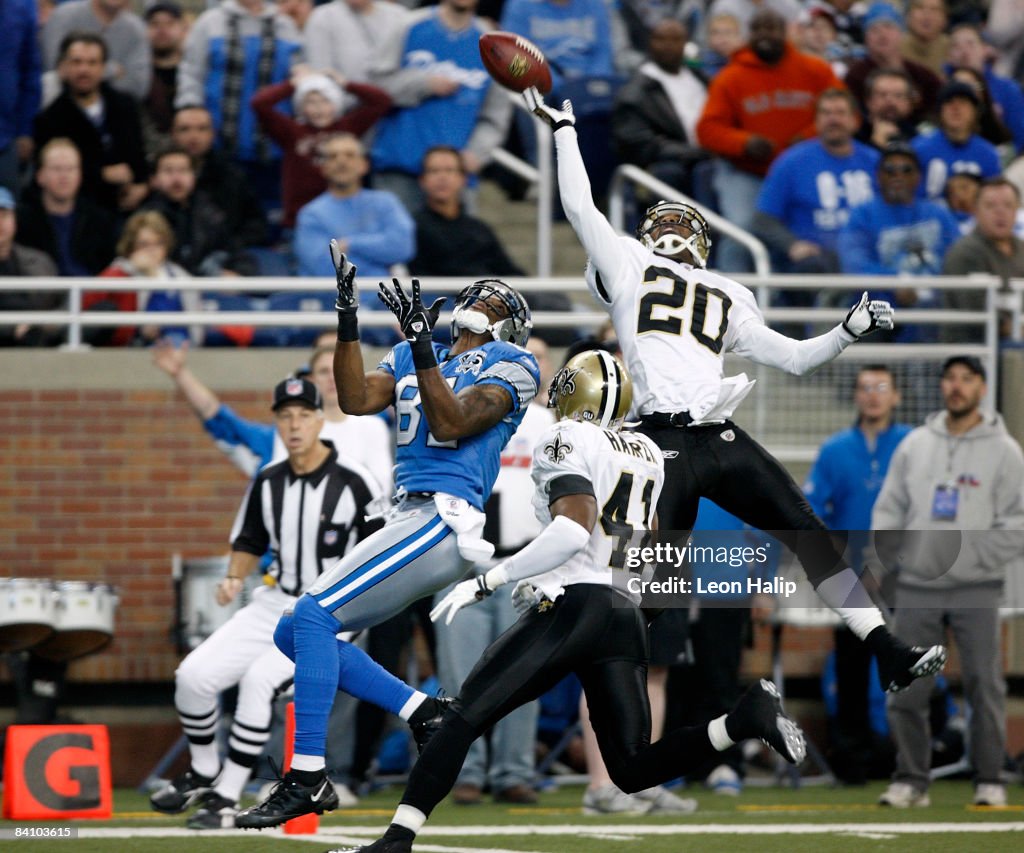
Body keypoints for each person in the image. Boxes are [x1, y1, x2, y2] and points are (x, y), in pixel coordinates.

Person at [527, 84, 947, 705]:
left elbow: (797, 358)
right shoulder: (644, 269)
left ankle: (886, 648)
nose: (668, 231)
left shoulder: (672, 276)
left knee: (806, 534)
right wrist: (563, 131)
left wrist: (845, 332)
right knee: (648, 591)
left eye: (677, 223)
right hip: (662, 445)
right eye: (662, 223)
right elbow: (581, 206)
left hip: (700, 439)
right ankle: (609, 717)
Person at [332, 349, 807, 853]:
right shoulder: (646, 453)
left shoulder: (564, 437)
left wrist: (490, 580)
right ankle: (742, 720)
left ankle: (396, 840)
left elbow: (571, 530)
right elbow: (661, 550)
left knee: (461, 716)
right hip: (625, 609)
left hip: (580, 604)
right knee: (630, 768)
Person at [233, 251, 540, 828]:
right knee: (291, 629)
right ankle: (422, 710)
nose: (482, 305)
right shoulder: (406, 353)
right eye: (478, 296)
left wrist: (424, 345)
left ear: (513, 325)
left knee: (315, 617)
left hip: (444, 517)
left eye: (498, 303)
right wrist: (349, 318)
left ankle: (308, 775)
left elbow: (450, 423)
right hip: (404, 515)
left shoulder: (513, 362)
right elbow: (352, 399)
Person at [149, 376, 390, 829]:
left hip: (331, 612)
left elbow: (381, 547)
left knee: (260, 681)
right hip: (273, 601)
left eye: (303, 415)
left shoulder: (357, 481)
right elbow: (249, 539)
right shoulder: (268, 479)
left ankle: (226, 795)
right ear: (276, 422)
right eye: (285, 416)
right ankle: (203, 770)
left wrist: (365, 605)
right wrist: (233, 578)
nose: (294, 425)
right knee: (193, 677)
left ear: (321, 420)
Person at [873, 356, 1024, 808]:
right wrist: (891, 560)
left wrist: (975, 558)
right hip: (917, 585)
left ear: (982, 387)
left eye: (967, 379)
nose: (957, 387)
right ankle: (911, 781)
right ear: (942, 387)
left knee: (984, 684)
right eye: (950, 379)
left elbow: (1017, 520)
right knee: (906, 686)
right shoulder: (916, 444)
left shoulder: (1005, 451)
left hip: (977, 586)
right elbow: (889, 508)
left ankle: (990, 780)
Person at [432, 336, 554, 806]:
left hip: (526, 564)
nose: (533, 366)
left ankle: (512, 771)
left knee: (522, 676)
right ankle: (464, 772)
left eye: (542, 359)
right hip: (465, 563)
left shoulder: (550, 425)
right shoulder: (468, 412)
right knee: (460, 676)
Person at [803, 365, 912, 784]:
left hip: (904, 576)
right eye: (865, 387)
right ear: (855, 396)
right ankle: (850, 759)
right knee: (850, 667)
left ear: (897, 396)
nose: (873, 395)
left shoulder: (910, 445)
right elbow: (815, 513)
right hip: (851, 582)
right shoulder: (834, 450)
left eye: (882, 387)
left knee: (905, 665)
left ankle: (904, 754)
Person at [695, 8, 844, 271]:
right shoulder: (731, 77)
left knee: (824, 229)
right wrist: (744, 142)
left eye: (772, 28)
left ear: (786, 32)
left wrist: (807, 137)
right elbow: (707, 129)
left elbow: (843, 109)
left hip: (803, 171)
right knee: (740, 232)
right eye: (758, 29)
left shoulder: (815, 69)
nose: (765, 35)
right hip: (747, 172)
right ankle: (732, 300)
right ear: (749, 35)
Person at [152, 341, 393, 493]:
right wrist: (180, 375)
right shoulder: (284, 434)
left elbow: (382, 490)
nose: (332, 378)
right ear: (310, 380)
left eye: (339, 372)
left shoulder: (376, 426)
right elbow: (220, 419)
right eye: (323, 372)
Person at [368, 0, 513, 213]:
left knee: (460, 246)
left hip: (457, 177)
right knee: (396, 245)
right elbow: (375, 87)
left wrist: (477, 153)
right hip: (400, 168)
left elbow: (496, 114)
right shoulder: (408, 25)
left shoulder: (493, 42)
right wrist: (423, 84)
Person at [175, 0, 303, 202]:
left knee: (269, 212)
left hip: (273, 145)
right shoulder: (211, 22)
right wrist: (190, 106)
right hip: (221, 140)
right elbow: (191, 72)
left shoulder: (284, 25)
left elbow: (299, 76)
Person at [839, 141, 961, 341]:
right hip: (884, 302)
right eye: (890, 170)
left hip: (936, 299)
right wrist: (897, 281)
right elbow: (854, 263)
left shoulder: (938, 214)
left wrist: (929, 289)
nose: (898, 176)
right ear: (878, 176)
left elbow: (958, 256)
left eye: (906, 170)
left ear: (917, 177)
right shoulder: (862, 215)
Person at [753, 88, 878, 277]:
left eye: (840, 113)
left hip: (869, 258)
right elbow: (763, 219)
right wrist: (792, 244)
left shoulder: (875, 162)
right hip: (816, 262)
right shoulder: (791, 162)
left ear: (855, 121)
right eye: (826, 113)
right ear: (816, 121)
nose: (833, 120)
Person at [251, 65, 391, 229]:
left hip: (343, 221)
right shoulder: (291, 131)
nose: (319, 109)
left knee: (341, 254)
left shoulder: (348, 127)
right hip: (300, 220)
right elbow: (259, 104)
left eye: (325, 101)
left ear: (336, 103)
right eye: (311, 102)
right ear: (301, 107)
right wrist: (294, 83)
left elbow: (382, 101)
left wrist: (345, 84)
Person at [33, 32, 148, 214]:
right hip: (83, 208)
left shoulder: (126, 106)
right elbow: (47, 172)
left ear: (103, 68)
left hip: (131, 204)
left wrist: (142, 186)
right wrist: (102, 174)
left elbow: (139, 154)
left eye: (92, 62)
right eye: (77, 62)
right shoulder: (51, 119)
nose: (84, 70)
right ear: (63, 66)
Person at [611, 19, 710, 202]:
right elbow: (638, 143)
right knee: (673, 172)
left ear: (686, 43)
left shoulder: (701, 80)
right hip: (669, 164)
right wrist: (691, 153)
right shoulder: (635, 91)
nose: (668, 46)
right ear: (650, 43)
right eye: (661, 39)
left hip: (708, 156)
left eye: (675, 39)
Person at [141, 146, 261, 278]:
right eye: (168, 171)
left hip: (208, 291)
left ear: (194, 176)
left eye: (183, 170)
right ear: (154, 179)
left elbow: (235, 252)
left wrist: (238, 273)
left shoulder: (210, 213)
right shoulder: (145, 219)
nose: (176, 178)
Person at [410, 146, 524, 278]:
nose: (442, 177)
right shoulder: (412, 227)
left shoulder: (479, 229)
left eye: (449, 170)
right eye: (434, 171)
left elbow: (510, 272)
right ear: (422, 180)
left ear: (463, 179)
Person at [168, 106, 269, 256]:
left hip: (223, 260)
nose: (193, 136)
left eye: (202, 129)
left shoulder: (232, 175)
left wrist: (229, 248)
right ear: (173, 134)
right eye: (185, 129)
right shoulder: (155, 176)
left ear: (212, 134)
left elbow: (257, 226)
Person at [14, 138, 117, 280]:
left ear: (80, 175)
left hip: (90, 295)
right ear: (40, 176)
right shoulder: (21, 220)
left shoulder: (100, 220)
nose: (64, 176)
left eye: (71, 169)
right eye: (57, 169)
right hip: (40, 295)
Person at [95, 209, 197, 347]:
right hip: (135, 348)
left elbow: (195, 327)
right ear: (131, 245)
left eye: (158, 243)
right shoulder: (120, 272)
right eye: (144, 244)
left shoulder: (179, 276)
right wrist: (131, 268)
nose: (152, 250)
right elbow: (93, 298)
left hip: (180, 345)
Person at [942, 177, 1024, 342]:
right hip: (971, 348)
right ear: (975, 211)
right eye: (991, 206)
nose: (1000, 212)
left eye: (1008, 205)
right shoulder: (965, 252)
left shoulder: (1021, 248)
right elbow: (977, 312)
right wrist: (1017, 328)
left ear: (1017, 210)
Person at [844, 3, 943, 127]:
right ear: (866, 38)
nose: (882, 34)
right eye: (874, 29)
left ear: (901, 34)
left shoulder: (922, 76)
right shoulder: (856, 76)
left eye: (888, 27)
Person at [304, 0, 410, 115]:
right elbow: (322, 74)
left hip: (400, 108)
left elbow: (410, 67)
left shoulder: (399, 15)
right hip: (350, 114)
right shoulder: (322, 17)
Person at [41, 0, 151, 101]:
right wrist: (112, 70)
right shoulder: (64, 16)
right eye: (78, 62)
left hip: (117, 114)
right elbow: (56, 69)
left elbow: (138, 87)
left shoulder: (137, 28)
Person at [912, 80, 1002, 203]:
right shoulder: (918, 149)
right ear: (940, 111)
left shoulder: (988, 153)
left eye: (963, 103)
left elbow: (994, 199)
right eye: (949, 102)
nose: (956, 108)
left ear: (975, 112)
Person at [0, 186, 62, 347]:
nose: (0, 223)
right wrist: (11, 328)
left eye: (5, 215)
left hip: (37, 339)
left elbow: (61, 302)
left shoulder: (39, 261)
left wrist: (40, 324)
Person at [0, 0, 41, 198]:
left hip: (6, 140)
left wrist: (25, 129)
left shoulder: (22, 7)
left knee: (8, 219)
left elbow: (30, 72)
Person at [141, 2, 188, 156]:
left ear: (183, 29)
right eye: (154, 24)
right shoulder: (137, 78)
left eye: (170, 23)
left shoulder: (195, 75)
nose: (162, 30)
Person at [854, 68, 920, 152]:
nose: (891, 101)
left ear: (909, 103)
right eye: (882, 95)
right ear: (868, 101)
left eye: (898, 95)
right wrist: (875, 144)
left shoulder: (917, 138)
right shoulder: (854, 133)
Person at [901, 0, 950, 77]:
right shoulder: (895, 48)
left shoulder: (952, 48)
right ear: (908, 16)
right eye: (920, 8)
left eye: (934, 9)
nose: (927, 15)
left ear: (944, 19)